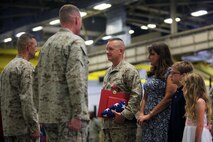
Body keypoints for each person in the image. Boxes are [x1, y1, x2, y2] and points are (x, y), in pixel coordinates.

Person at [33, 4, 89, 142]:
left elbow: (35, 81)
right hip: (69, 118)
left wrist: (40, 112)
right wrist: (78, 114)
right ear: (76, 19)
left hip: (48, 117)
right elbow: (75, 78)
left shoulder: (47, 45)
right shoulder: (75, 42)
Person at [100, 38, 142, 142]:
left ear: (121, 51)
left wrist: (125, 114)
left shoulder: (129, 70)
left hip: (123, 127)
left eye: (110, 49)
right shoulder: (108, 72)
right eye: (106, 49)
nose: (107, 52)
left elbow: (137, 94)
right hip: (108, 126)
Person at [0, 33, 40, 142]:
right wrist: (34, 127)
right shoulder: (26, 67)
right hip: (24, 131)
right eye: (35, 46)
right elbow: (28, 99)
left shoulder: (6, 69)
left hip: (8, 129)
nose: (37, 50)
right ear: (28, 46)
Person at [137, 43, 177, 142]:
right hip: (147, 119)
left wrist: (150, 114)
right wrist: (141, 113)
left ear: (161, 55)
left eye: (152, 54)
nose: (149, 57)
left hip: (161, 118)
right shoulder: (151, 74)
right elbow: (145, 96)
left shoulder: (170, 72)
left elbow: (169, 97)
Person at [182, 73, 212, 142]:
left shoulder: (200, 102)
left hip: (198, 135)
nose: (183, 88)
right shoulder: (191, 103)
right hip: (190, 133)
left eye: (185, 86)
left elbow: (200, 125)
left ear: (192, 87)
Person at [167, 61, 193, 142]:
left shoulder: (187, 94)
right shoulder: (177, 93)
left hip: (182, 135)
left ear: (184, 75)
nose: (170, 75)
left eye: (174, 73)